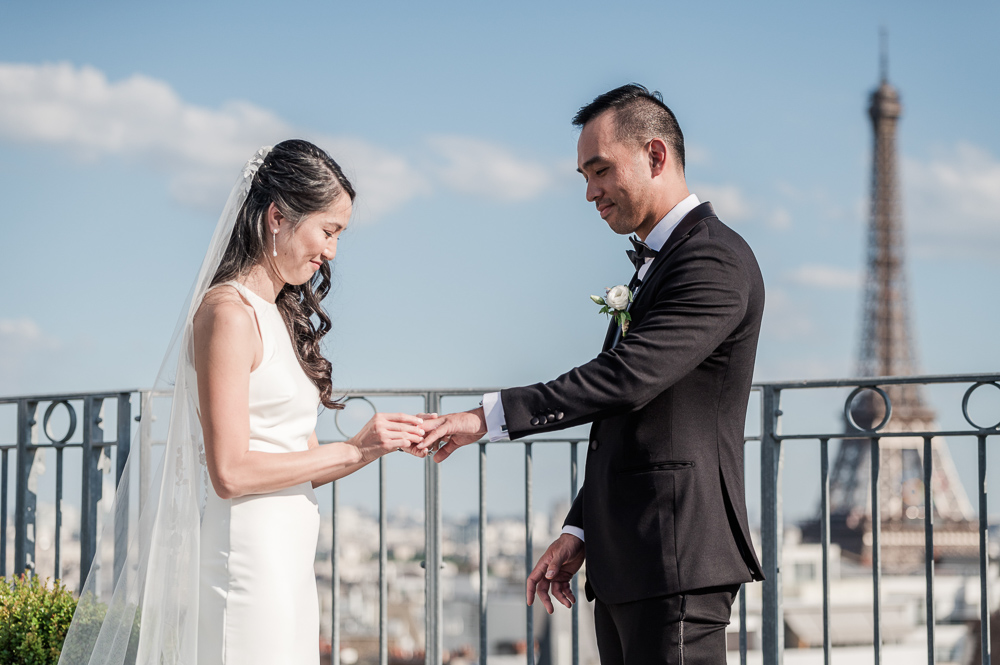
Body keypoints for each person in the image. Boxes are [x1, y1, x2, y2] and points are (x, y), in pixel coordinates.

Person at [419, 84, 765, 664]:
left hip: (674, 557)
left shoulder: (712, 258)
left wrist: (487, 418)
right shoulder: (661, 262)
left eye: (600, 170)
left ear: (655, 156)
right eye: (584, 175)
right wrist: (581, 530)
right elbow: (633, 421)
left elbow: (623, 379)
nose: (589, 192)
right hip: (634, 557)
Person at [58, 140, 428, 665]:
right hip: (247, 565)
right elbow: (229, 471)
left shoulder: (276, 315)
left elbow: (297, 462)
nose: (333, 252)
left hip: (289, 564)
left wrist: (373, 447)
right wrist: (351, 450)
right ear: (278, 217)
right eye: (329, 230)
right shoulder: (228, 313)